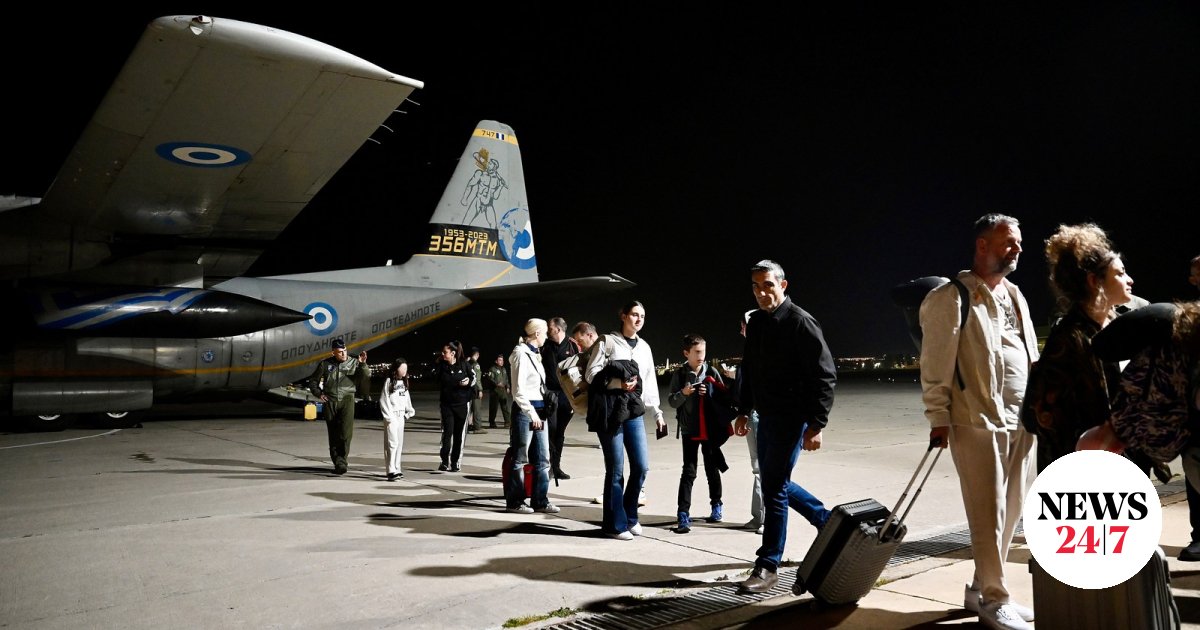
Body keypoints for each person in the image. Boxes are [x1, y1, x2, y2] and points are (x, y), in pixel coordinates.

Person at [920, 214, 1038, 630]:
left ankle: (979, 587)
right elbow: (935, 363)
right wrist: (939, 416)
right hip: (976, 419)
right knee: (988, 512)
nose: (1017, 248)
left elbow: (1029, 353)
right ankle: (994, 599)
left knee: (1011, 511)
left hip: (1022, 420)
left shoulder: (1016, 295)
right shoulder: (951, 297)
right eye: (1008, 242)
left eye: (1019, 242)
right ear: (982, 245)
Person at [734, 260, 835, 595]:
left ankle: (768, 565)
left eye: (767, 285)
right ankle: (825, 520)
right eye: (755, 286)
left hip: (792, 418)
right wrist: (743, 410)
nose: (761, 292)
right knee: (773, 482)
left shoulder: (800, 322)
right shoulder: (757, 323)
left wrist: (816, 424)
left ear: (783, 285)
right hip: (765, 416)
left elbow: (824, 376)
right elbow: (750, 369)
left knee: (774, 487)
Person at [1020, 223, 1134, 472]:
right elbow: (1042, 416)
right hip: (1082, 468)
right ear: (1094, 281)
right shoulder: (1069, 337)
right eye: (1120, 273)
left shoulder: (1120, 326)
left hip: (1117, 461)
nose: (1129, 280)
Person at [584, 301, 667, 540]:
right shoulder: (607, 341)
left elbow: (649, 383)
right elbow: (591, 374)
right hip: (610, 410)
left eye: (642, 316)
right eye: (634, 315)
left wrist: (658, 413)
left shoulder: (644, 347)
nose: (639, 319)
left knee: (641, 466)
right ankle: (614, 525)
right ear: (623, 316)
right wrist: (617, 383)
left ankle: (630, 516)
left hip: (632, 410)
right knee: (616, 469)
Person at [668, 334, 727, 534]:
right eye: (697, 352)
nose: (701, 356)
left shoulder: (711, 371)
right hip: (689, 429)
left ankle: (717, 505)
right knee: (689, 471)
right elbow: (671, 401)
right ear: (687, 353)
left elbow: (723, 396)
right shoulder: (680, 374)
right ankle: (683, 513)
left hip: (709, 429)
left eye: (703, 351)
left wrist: (709, 392)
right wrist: (683, 394)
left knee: (712, 468)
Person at [506, 318, 559, 514]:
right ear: (537, 334)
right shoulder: (521, 354)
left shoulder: (535, 354)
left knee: (543, 460)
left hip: (540, 411)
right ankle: (515, 502)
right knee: (520, 459)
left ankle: (540, 500)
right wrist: (531, 413)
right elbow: (518, 391)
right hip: (525, 412)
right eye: (544, 333)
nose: (546, 336)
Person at [306, 338, 369, 475]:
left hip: (347, 400)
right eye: (340, 352)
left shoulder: (354, 362)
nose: (343, 354)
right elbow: (313, 381)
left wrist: (363, 364)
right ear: (333, 352)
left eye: (345, 350)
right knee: (334, 433)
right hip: (331, 401)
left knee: (346, 433)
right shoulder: (325, 364)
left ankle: (342, 460)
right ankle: (338, 462)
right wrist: (319, 393)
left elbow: (365, 376)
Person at [729, 310, 765, 535]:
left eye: (743, 325)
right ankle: (758, 516)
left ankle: (765, 519)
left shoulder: (760, 350)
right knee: (757, 467)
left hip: (759, 414)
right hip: (751, 413)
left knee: (762, 467)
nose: (741, 330)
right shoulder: (752, 350)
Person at [542, 317, 578, 479]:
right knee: (551, 430)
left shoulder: (572, 345)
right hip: (550, 394)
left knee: (560, 432)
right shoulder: (544, 346)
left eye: (549, 327)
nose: (547, 330)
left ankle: (556, 467)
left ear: (557, 329)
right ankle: (548, 466)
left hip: (567, 395)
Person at [437, 340, 475, 472]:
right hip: (447, 405)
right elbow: (438, 379)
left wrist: (468, 382)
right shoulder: (442, 366)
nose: (443, 354)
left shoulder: (464, 365)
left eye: (445, 352)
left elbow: (473, 378)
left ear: (453, 353)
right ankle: (444, 461)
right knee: (447, 433)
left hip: (461, 405)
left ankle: (455, 462)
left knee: (459, 436)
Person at [379, 358, 415, 481]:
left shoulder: (404, 383)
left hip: (401, 416)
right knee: (392, 443)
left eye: (406, 368)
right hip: (392, 415)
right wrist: (389, 417)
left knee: (399, 443)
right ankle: (390, 470)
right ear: (396, 368)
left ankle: (397, 468)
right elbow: (384, 399)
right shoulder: (389, 382)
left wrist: (408, 412)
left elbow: (407, 399)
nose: (404, 370)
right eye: (402, 368)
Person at [487, 354, 511, 429]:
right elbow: (490, 378)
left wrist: (508, 386)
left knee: (505, 407)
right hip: (495, 391)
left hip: (503, 390)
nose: (502, 362)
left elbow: (506, 378)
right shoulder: (492, 369)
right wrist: (497, 384)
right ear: (496, 361)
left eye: (502, 360)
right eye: (500, 360)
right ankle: (492, 423)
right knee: (493, 408)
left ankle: (507, 422)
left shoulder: (504, 369)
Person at [467, 347, 487, 434]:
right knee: (477, 408)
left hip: (468, 389)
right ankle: (477, 427)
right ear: (477, 355)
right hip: (475, 389)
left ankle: (469, 425)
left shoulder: (467, 363)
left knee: (470, 409)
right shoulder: (476, 365)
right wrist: (480, 390)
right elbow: (477, 379)